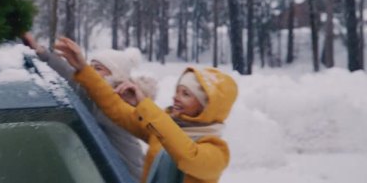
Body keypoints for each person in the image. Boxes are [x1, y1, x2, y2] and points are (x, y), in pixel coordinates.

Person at [54, 36, 238, 183]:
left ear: (205, 107)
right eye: (177, 91)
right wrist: (83, 68)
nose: (176, 97)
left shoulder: (216, 153)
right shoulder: (163, 130)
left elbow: (187, 156)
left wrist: (146, 106)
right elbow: (117, 110)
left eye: (186, 94)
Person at [21, 33, 156, 181]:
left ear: (116, 75)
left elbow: (76, 83)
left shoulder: (113, 104)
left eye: (97, 68)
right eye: (91, 67)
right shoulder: (111, 102)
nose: (91, 73)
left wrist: (44, 55)